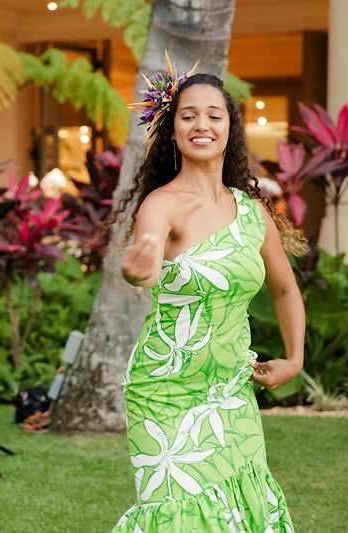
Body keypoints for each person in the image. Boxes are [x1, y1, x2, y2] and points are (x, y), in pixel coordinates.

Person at [111, 63, 304, 532]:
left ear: (230, 129)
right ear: (171, 131)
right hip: (165, 389)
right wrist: (140, 264)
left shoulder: (252, 212)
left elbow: (284, 288)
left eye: (214, 115)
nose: (202, 125)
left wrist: (295, 359)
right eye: (188, 116)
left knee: (241, 507)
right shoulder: (162, 204)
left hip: (231, 388)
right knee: (181, 516)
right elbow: (146, 254)